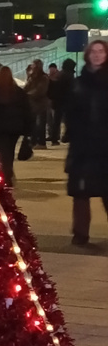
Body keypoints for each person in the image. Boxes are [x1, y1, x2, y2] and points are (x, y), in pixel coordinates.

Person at [65, 39, 108, 245]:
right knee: (80, 193)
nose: (97, 55)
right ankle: (80, 233)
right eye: (94, 51)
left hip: (105, 148)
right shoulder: (79, 82)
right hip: (83, 147)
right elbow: (71, 112)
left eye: (101, 51)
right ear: (88, 55)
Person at [0, 66, 33, 187]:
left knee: (1, 152)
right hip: (15, 127)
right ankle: (8, 173)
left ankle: (5, 175)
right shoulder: (18, 92)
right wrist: (28, 129)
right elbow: (27, 110)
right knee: (10, 151)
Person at [48, 58, 76, 145]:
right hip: (66, 101)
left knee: (57, 121)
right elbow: (71, 89)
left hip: (57, 101)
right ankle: (67, 136)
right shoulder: (69, 75)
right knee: (68, 120)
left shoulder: (60, 74)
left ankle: (54, 138)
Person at [24, 58, 49, 148]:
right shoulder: (32, 77)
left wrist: (28, 94)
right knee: (33, 124)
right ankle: (33, 141)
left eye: (33, 65)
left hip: (41, 104)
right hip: (33, 104)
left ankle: (41, 142)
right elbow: (27, 87)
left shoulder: (43, 77)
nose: (32, 66)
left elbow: (40, 90)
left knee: (40, 124)